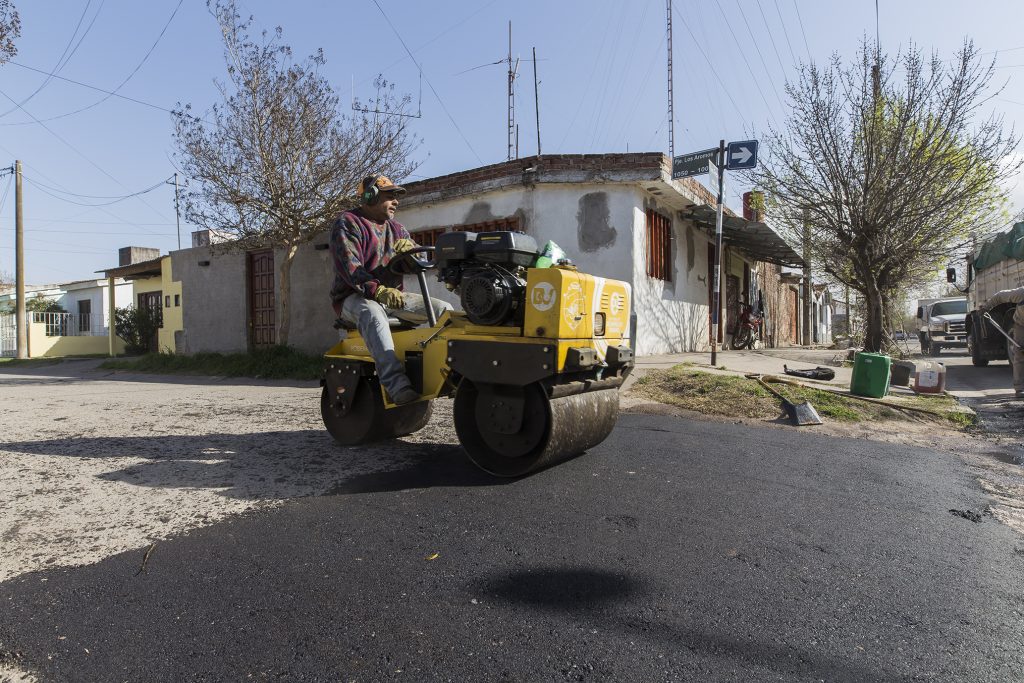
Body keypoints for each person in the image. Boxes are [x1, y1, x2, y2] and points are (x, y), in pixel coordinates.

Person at [329, 174, 451, 405]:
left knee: (445, 310)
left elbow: (420, 261)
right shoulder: (348, 222)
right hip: (352, 297)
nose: (396, 201)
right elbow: (350, 267)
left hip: (392, 298)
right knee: (372, 313)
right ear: (370, 196)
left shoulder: (397, 229)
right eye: (390, 196)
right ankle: (396, 385)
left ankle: (448, 371)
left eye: (397, 197)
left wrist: (413, 255)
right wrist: (378, 291)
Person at [980, 286, 1024, 397]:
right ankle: (1020, 388)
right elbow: (1000, 296)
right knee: (1020, 354)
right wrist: (986, 308)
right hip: (1021, 325)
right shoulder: (1020, 293)